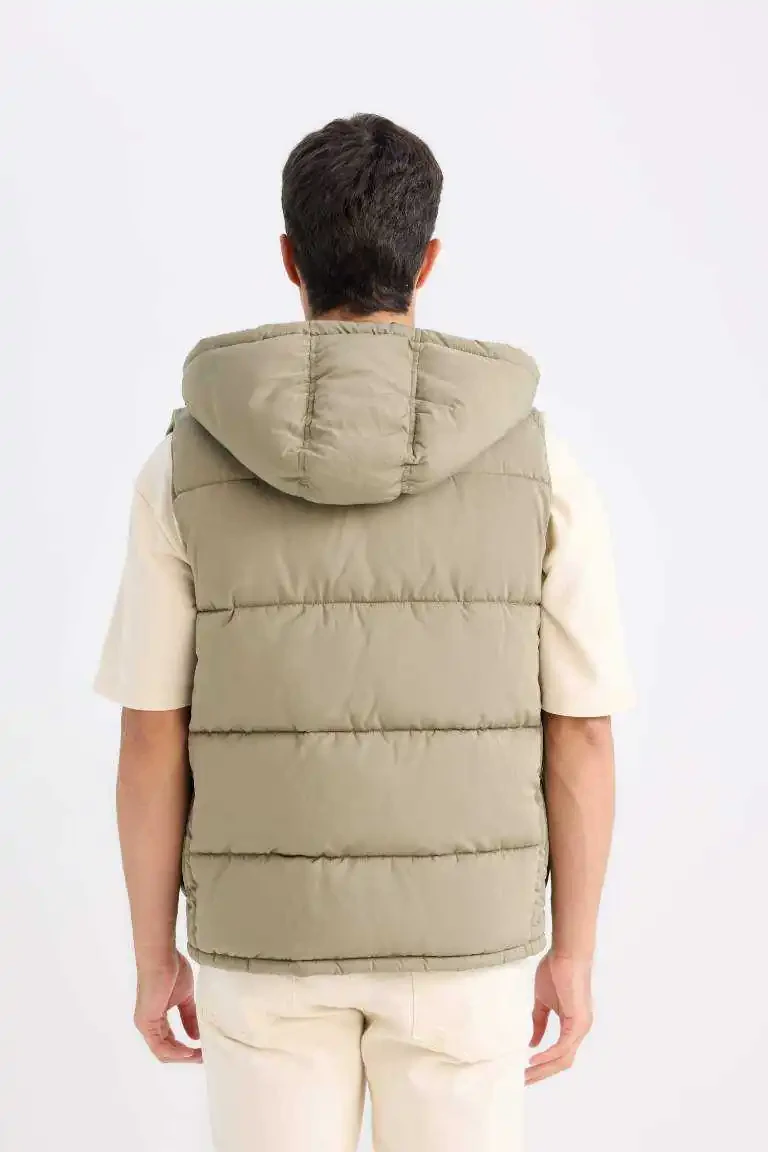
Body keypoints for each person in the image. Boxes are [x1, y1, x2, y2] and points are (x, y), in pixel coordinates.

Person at [95, 112, 634, 1152]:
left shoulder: (183, 465)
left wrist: (154, 954)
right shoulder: (542, 465)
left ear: (290, 259)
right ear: (426, 261)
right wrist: (573, 953)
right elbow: (581, 732)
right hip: (466, 944)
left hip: (264, 941)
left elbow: (150, 731)